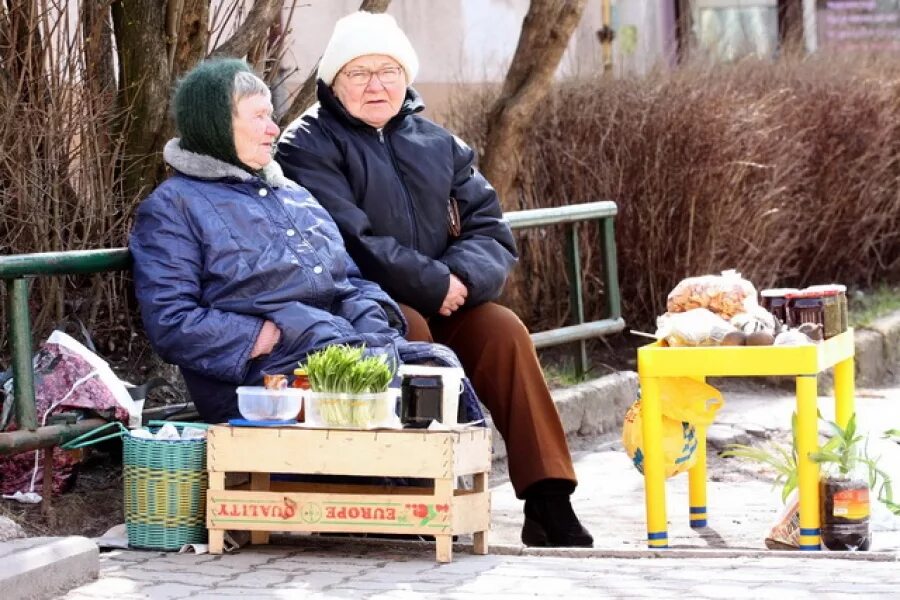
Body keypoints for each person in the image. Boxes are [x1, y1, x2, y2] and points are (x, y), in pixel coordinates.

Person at [276, 11, 593, 548]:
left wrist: (461, 280)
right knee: (413, 333)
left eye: (388, 71)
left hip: (449, 297)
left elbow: (489, 227)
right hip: (363, 306)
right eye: (359, 73)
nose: (377, 85)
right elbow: (353, 240)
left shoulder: (438, 142)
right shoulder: (307, 145)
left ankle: (548, 500)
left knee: (504, 331)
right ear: (333, 80)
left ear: (406, 76)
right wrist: (435, 286)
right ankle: (419, 494)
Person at [129, 58, 412, 424]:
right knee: (390, 416)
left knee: (435, 376)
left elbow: (350, 280)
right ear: (217, 127)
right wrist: (263, 337)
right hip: (265, 382)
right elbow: (171, 320)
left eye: (271, 115)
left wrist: (376, 317)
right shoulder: (173, 206)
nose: (273, 129)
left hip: (341, 350)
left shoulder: (292, 192)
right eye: (259, 116)